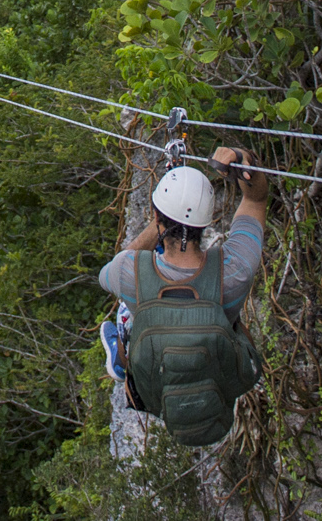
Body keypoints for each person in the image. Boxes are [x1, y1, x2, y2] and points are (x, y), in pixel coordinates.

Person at [96, 145, 269, 446]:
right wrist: (242, 160)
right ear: (207, 223)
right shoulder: (235, 272)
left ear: (157, 216)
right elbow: (256, 198)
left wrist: (156, 226)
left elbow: (107, 273)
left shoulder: (130, 271)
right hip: (215, 374)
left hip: (160, 383)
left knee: (126, 308)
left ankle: (122, 352)